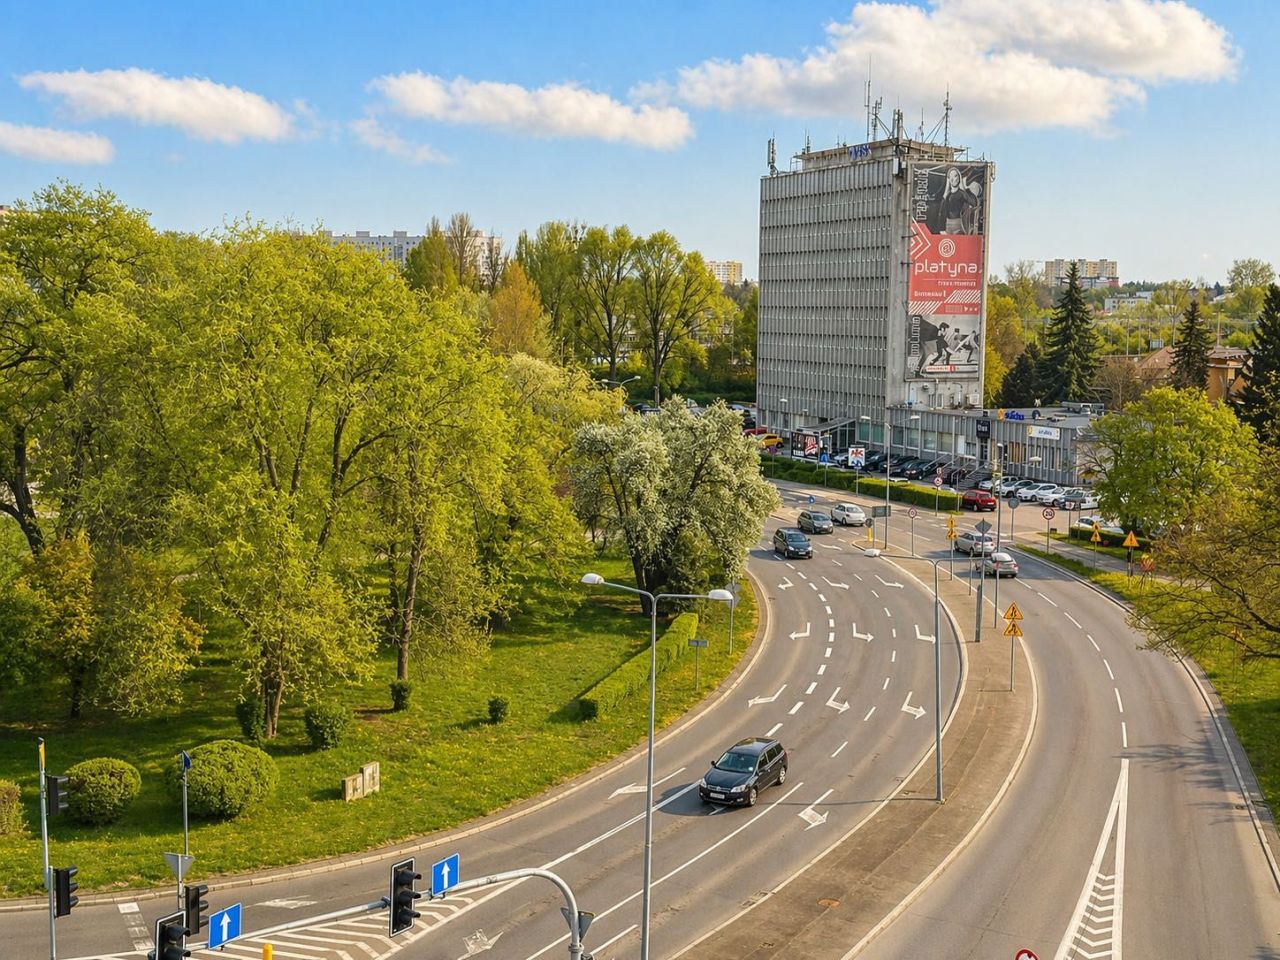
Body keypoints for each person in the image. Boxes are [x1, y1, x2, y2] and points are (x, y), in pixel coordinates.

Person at [936, 166, 982, 235]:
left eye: (955, 176)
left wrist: (965, 188)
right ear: (948, 179)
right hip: (947, 225)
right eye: (950, 176)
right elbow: (942, 212)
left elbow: (974, 203)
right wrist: (941, 228)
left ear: (959, 178)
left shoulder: (962, 193)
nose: (953, 179)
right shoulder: (947, 195)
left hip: (958, 225)